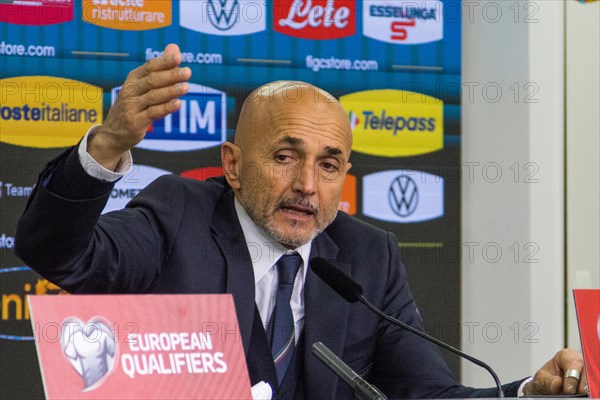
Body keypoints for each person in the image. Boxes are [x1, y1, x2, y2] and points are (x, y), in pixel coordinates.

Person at [15, 44, 587, 399]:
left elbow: (427, 394)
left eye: (329, 165)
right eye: (285, 157)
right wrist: (109, 144)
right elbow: (61, 255)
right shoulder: (178, 216)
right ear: (233, 166)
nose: (308, 186)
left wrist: (527, 393)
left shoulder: (368, 257)